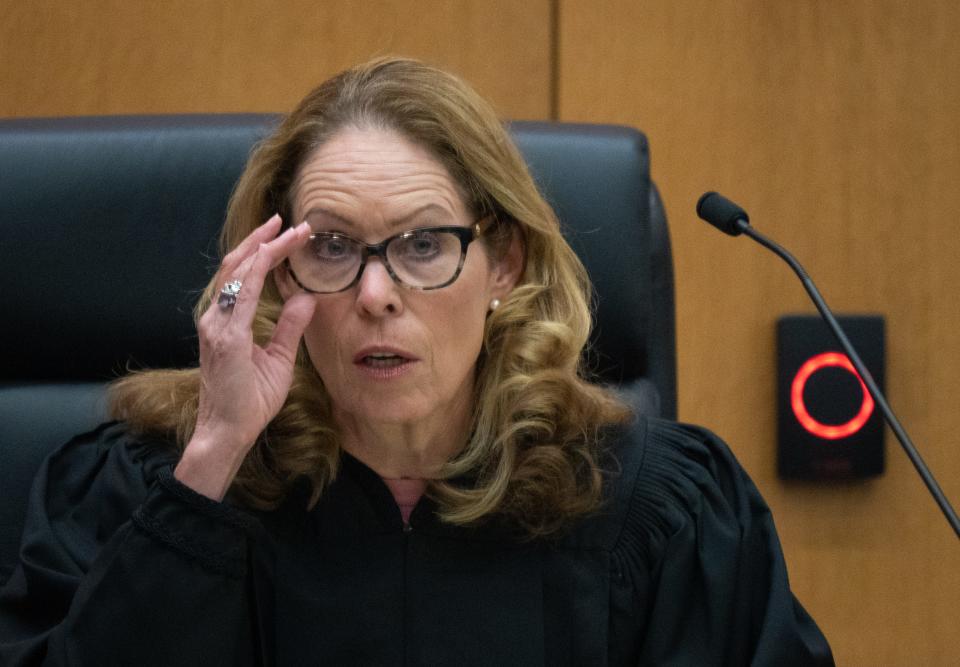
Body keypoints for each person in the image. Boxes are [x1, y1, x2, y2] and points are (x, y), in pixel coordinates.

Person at [0, 57, 833, 666]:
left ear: (503, 262)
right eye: (330, 246)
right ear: (274, 268)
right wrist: (213, 455)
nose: (375, 293)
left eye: (425, 244)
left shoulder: (658, 507)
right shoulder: (146, 487)